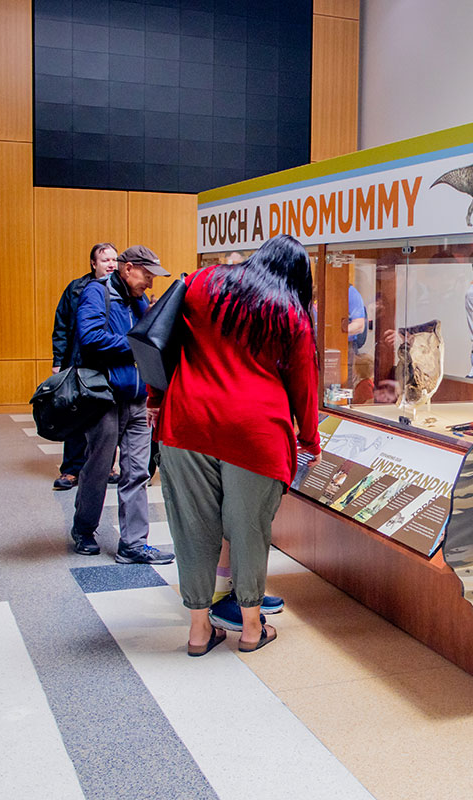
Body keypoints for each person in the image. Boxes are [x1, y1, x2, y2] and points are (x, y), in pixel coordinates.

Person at [149, 234, 321, 656]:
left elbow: (161, 340)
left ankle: (197, 631)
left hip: (188, 422)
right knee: (249, 530)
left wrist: (156, 401)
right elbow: (304, 386)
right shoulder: (290, 313)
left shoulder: (204, 282)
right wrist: (309, 440)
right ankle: (249, 628)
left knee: (191, 528)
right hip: (256, 433)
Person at [70, 246, 175, 565]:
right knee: (98, 467)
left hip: (137, 398)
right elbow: (90, 338)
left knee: (137, 472)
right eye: (147, 275)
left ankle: (133, 542)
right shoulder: (95, 293)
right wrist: (135, 343)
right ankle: (84, 529)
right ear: (128, 269)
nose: (150, 283)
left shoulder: (140, 300)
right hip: (104, 398)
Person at [50, 243, 118, 490]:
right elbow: (61, 326)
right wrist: (58, 361)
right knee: (75, 415)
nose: (111, 264)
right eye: (105, 260)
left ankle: (107, 466)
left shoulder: (121, 290)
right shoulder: (76, 289)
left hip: (108, 364)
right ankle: (71, 469)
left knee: (108, 417)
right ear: (93, 263)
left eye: (114, 260)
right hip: (78, 362)